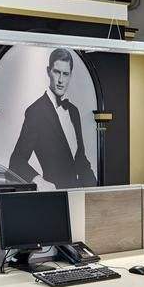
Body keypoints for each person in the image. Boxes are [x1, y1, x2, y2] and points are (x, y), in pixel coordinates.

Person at [8, 47, 97, 190]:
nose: (61, 80)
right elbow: (16, 161)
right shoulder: (35, 112)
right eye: (57, 72)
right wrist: (39, 181)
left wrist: (97, 191)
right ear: (48, 71)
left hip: (79, 194)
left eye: (65, 74)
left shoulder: (73, 111)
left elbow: (80, 159)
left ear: (70, 75)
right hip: (55, 196)